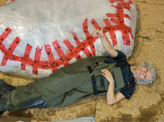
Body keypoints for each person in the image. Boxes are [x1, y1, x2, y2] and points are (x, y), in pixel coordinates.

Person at [0, 28, 156, 112]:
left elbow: (111, 101)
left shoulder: (130, 86)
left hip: (85, 91)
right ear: (143, 65)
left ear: (141, 80)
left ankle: (8, 93)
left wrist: (111, 82)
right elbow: (109, 49)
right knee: (47, 88)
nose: (143, 73)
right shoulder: (122, 59)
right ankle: (6, 101)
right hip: (82, 74)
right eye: (145, 70)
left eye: (145, 76)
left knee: (51, 101)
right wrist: (102, 35)